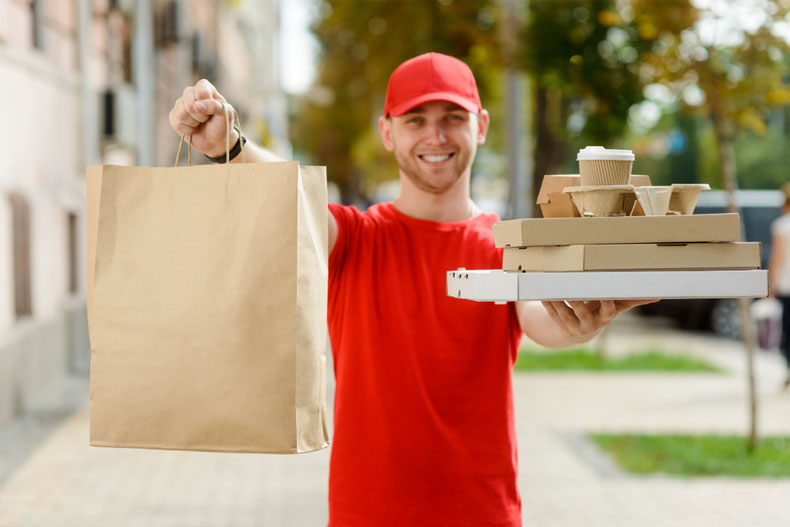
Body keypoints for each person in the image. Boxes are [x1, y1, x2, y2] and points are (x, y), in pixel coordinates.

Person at [169, 52, 653, 527]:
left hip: (484, 513)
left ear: (480, 126)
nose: (435, 135)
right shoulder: (353, 238)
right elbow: (289, 190)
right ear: (387, 131)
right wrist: (229, 146)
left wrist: (582, 323)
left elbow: (542, 319)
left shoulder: (507, 246)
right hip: (368, 514)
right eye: (415, 119)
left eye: (453, 117)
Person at [768, 184, 790, 387]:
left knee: (788, 329)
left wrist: (770, 286)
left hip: (787, 286)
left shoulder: (782, 226)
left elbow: (778, 259)